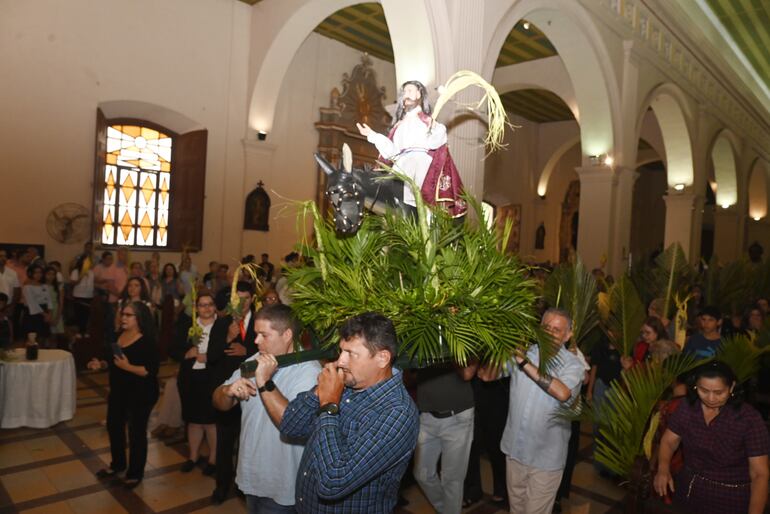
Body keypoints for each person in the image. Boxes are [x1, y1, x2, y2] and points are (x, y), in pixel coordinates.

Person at [279, 312, 419, 513]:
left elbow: (332, 483)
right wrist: (319, 392)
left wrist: (328, 406)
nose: (340, 361)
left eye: (351, 353)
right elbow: (289, 426)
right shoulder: (345, 383)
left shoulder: (397, 413)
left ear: (382, 358)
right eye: (341, 351)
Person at [213, 304, 320, 513]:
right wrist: (227, 391)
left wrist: (263, 380)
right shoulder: (254, 360)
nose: (256, 341)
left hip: (284, 483)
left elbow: (290, 422)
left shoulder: (309, 371)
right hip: (252, 474)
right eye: (255, 334)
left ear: (287, 334)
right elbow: (217, 402)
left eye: (264, 335)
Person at [478, 308, 585, 514]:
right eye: (546, 327)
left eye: (557, 329)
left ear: (568, 335)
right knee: (516, 510)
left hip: (546, 459)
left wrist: (524, 363)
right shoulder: (525, 352)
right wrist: (498, 346)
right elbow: (486, 376)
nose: (550, 333)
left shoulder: (573, 364)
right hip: (515, 451)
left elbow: (562, 393)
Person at [654, 361, 769, 514]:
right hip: (689, 488)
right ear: (695, 386)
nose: (711, 398)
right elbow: (669, 441)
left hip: (730, 497)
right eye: (704, 390)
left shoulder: (748, 419)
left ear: (732, 387)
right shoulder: (687, 407)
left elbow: (759, 474)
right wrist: (663, 468)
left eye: (719, 392)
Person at [357, 80, 465, 216]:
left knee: (421, 202)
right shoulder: (399, 125)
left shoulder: (427, 122)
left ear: (419, 94)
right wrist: (372, 135)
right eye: (404, 93)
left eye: (409, 91)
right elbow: (392, 152)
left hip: (420, 166)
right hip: (401, 166)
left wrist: (436, 128)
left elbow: (436, 142)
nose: (405, 95)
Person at [94, 301, 160, 489]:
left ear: (139, 319)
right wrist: (102, 364)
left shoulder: (147, 341)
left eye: (128, 315)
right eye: (123, 314)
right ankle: (118, 465)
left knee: (136, 433)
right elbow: (112, 360)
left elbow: (150, 371)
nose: (123, 318)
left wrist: (127, 367)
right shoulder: (118, 335)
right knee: (114, 427)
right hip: (119, 392)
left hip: (142, 393)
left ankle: (135, 473)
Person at [207, 281, 258, 504]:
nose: (242, 303)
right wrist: (227, 338)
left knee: (250, 442)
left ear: (253, 299)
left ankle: (245, 486)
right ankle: (221, 485)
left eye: (246, 298)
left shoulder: (261, 321)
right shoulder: (223, 323)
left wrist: (248, 350)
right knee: (225, 442)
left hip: (255, 392)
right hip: (229, 392)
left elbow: (275, 354)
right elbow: (211, 356)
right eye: (237, 299)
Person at [413, 364, 475, 514]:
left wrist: (444, 351)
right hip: (427, 416)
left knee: (451, 480)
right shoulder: (420, 340)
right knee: (422, 474)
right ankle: (446, 510)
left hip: (458, 418)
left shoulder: (460, 341)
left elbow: (468, 373)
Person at [172, 290, 220, 475]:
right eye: (202, 305)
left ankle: (213, 459)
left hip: (211, 378)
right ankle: (193, 456)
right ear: (196, 308)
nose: (206, 308)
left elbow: (224, 353)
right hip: (190, 379)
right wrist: (186, 354)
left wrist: (209, 357)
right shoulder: (187, 326)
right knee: (192, 420)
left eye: (209, 304)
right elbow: (172, 349)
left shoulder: (222, 326)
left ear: (215, 307)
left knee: (210, 422)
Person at [21, 264, 50, 341]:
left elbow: (48, 300)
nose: (38, 275)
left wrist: (49, 313)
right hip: (32, 313)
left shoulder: (44, 286)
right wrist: (44, 314)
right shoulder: (27, 287)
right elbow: (32, 303)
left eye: (40, 272)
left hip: (45, 311)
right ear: (31, 273)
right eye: (36, 272)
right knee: (31, 338)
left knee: (43, 337)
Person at [69, 253, 95, 339]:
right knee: (79, 314)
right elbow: (72, 283)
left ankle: (84, 331)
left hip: (88, 296)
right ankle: (79, 331)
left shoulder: (91, 272)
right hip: (78, 295)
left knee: (86, 315)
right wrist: (81, 276)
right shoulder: (76, 271)